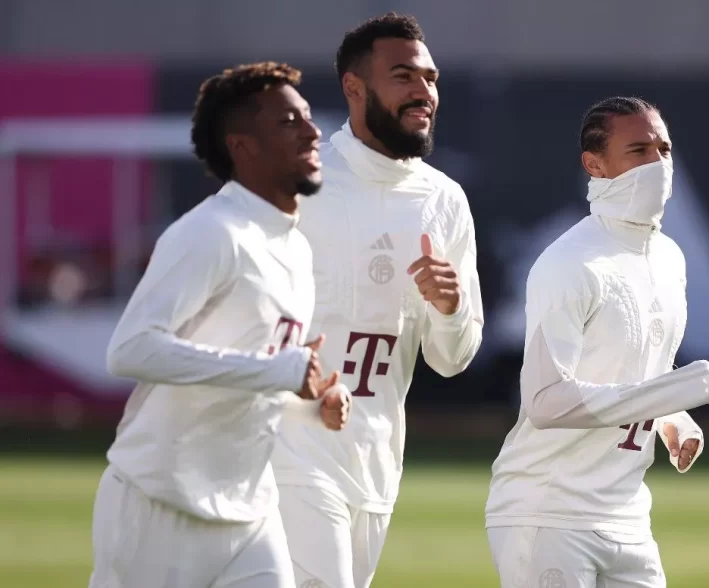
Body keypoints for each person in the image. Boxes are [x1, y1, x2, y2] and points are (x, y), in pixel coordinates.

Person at [88, 62, 350, 588]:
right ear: (243, 146)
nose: (313, 129)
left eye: (306, 116)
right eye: (288, 121)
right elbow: (131, 350)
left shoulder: (295, 245)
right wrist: (278, 372)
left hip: (251, 514)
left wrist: (309, 403)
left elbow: (261, 375)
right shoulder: (211, 232)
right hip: (160, 507)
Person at [270, 13, 484, 588]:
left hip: (377, 459)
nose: (424, 92)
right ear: (354, 88)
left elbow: (452, 358)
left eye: (431, 79)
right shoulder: (295, 182)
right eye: (403, 76)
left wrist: (451, 308)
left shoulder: (445, 201)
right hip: (290, 447)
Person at [485, 96, 709, 588]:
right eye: (638, 150)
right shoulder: (569, 261)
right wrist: (676, 393)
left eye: (664, 149)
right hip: (547, 511)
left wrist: (671, 417)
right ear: (594, 164)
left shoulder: (668, 257)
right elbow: (546, 402)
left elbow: (632, 373)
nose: (657, 164)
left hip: (629, 513)